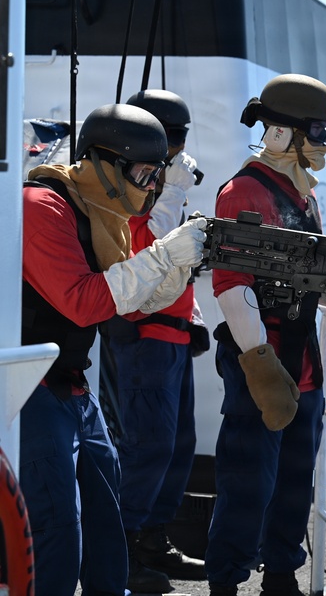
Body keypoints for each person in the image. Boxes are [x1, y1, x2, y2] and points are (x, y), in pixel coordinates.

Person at [20, 103, 207, 596]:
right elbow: (84, 303)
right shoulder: (41, 206)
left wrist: (178, 266)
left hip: (70, 388)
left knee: (106, 529)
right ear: (105, 163)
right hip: (27, 392)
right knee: (57, 534)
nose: (150, 187)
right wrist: (166, 254)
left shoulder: (102, 214)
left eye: (156, 175)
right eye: (145, 173)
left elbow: (131, 300)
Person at [205, 74, 326, 596]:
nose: (320, 143)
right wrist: (260, 363)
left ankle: (281, 575)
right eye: (314, 131)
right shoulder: (244, 191)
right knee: (246, 483)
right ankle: (225, 582)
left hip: (301, 360)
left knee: (292, 485)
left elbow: (319, 272)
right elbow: (231, 283)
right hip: (260, 361)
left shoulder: (302, 196)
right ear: (281, 134)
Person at [101, 89, 208, 593]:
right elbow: (148, 249)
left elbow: (178, 258)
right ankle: (122, 549)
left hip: (171, 333)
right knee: (147, 446)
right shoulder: (135, 187)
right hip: (143, 335)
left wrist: (196, 316)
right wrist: (172, 190)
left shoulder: (161, 185)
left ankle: (151, 539)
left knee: (176, 445)